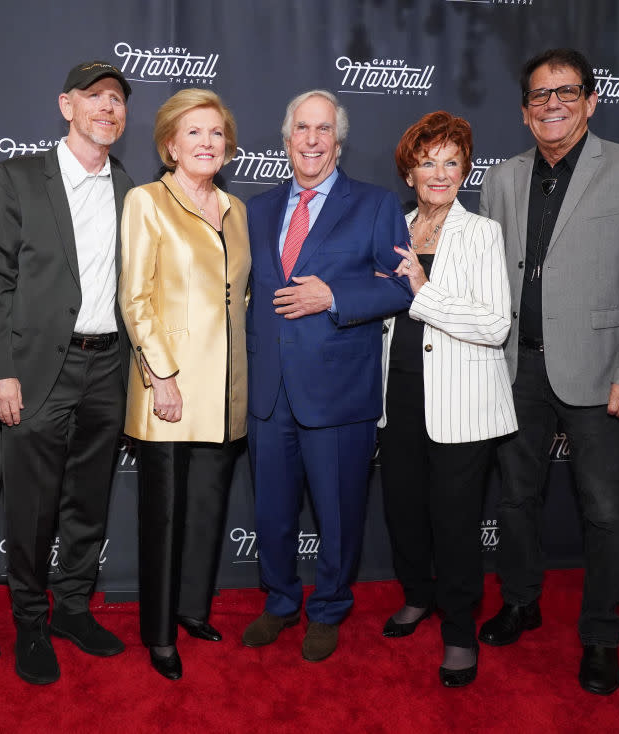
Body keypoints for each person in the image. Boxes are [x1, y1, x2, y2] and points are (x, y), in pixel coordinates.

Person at [477, 48, 619, 695]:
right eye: (539, 95)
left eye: (566, 92)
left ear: (591, 100)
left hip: (599, 372)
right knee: (514, 500)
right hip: (515, 370)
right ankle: (521, 601)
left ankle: (599, 636)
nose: (552, 104)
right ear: (525, 111)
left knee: (605, 512)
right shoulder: (502, 179)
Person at [0, 61, 134, 685]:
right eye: (94, 98)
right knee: (33, 509)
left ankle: (71, 609)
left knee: (88, 503)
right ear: (66, 106)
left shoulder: (130, 188)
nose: (107, 108)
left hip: (108, 367)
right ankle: (30, 624)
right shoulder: (18, 178)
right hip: (37, 370)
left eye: (116, 99)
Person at [243, 90, 413, 662]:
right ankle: (280, 601)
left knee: (339, 511)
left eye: (322, 130)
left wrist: (333, 295)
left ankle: (329, 607)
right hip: (269, 391)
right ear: (286, 140)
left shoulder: (374, 204)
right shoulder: (257, 209)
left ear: (337, 142)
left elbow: (400, 284)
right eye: (301, 129)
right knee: (271, 509)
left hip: (340, 391)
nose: (311, 140)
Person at [377, 111, 516, 687]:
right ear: (409, 172)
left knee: (455, 524)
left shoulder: (481, 232)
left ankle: (458, 631)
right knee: (404, 510)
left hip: (461, 402)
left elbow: (493, 324)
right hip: (398, 395)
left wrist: (422, 291)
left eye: (450, 162)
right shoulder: (393, 229)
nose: (438, 173)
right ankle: (416, 596)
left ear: (465, 171)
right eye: (427, 162)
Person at [119, 89, 250, 680]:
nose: (206, 143)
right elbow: (135, 298)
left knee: (206, 508)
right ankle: (159, 633)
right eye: (193, 133)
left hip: (224, 392)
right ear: (171, 144)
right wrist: (161, 376)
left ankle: (193, 610)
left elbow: (238, 298)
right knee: (164, 517)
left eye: (216, 133)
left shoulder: (235, 208)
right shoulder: (147, 201)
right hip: (167, 388)